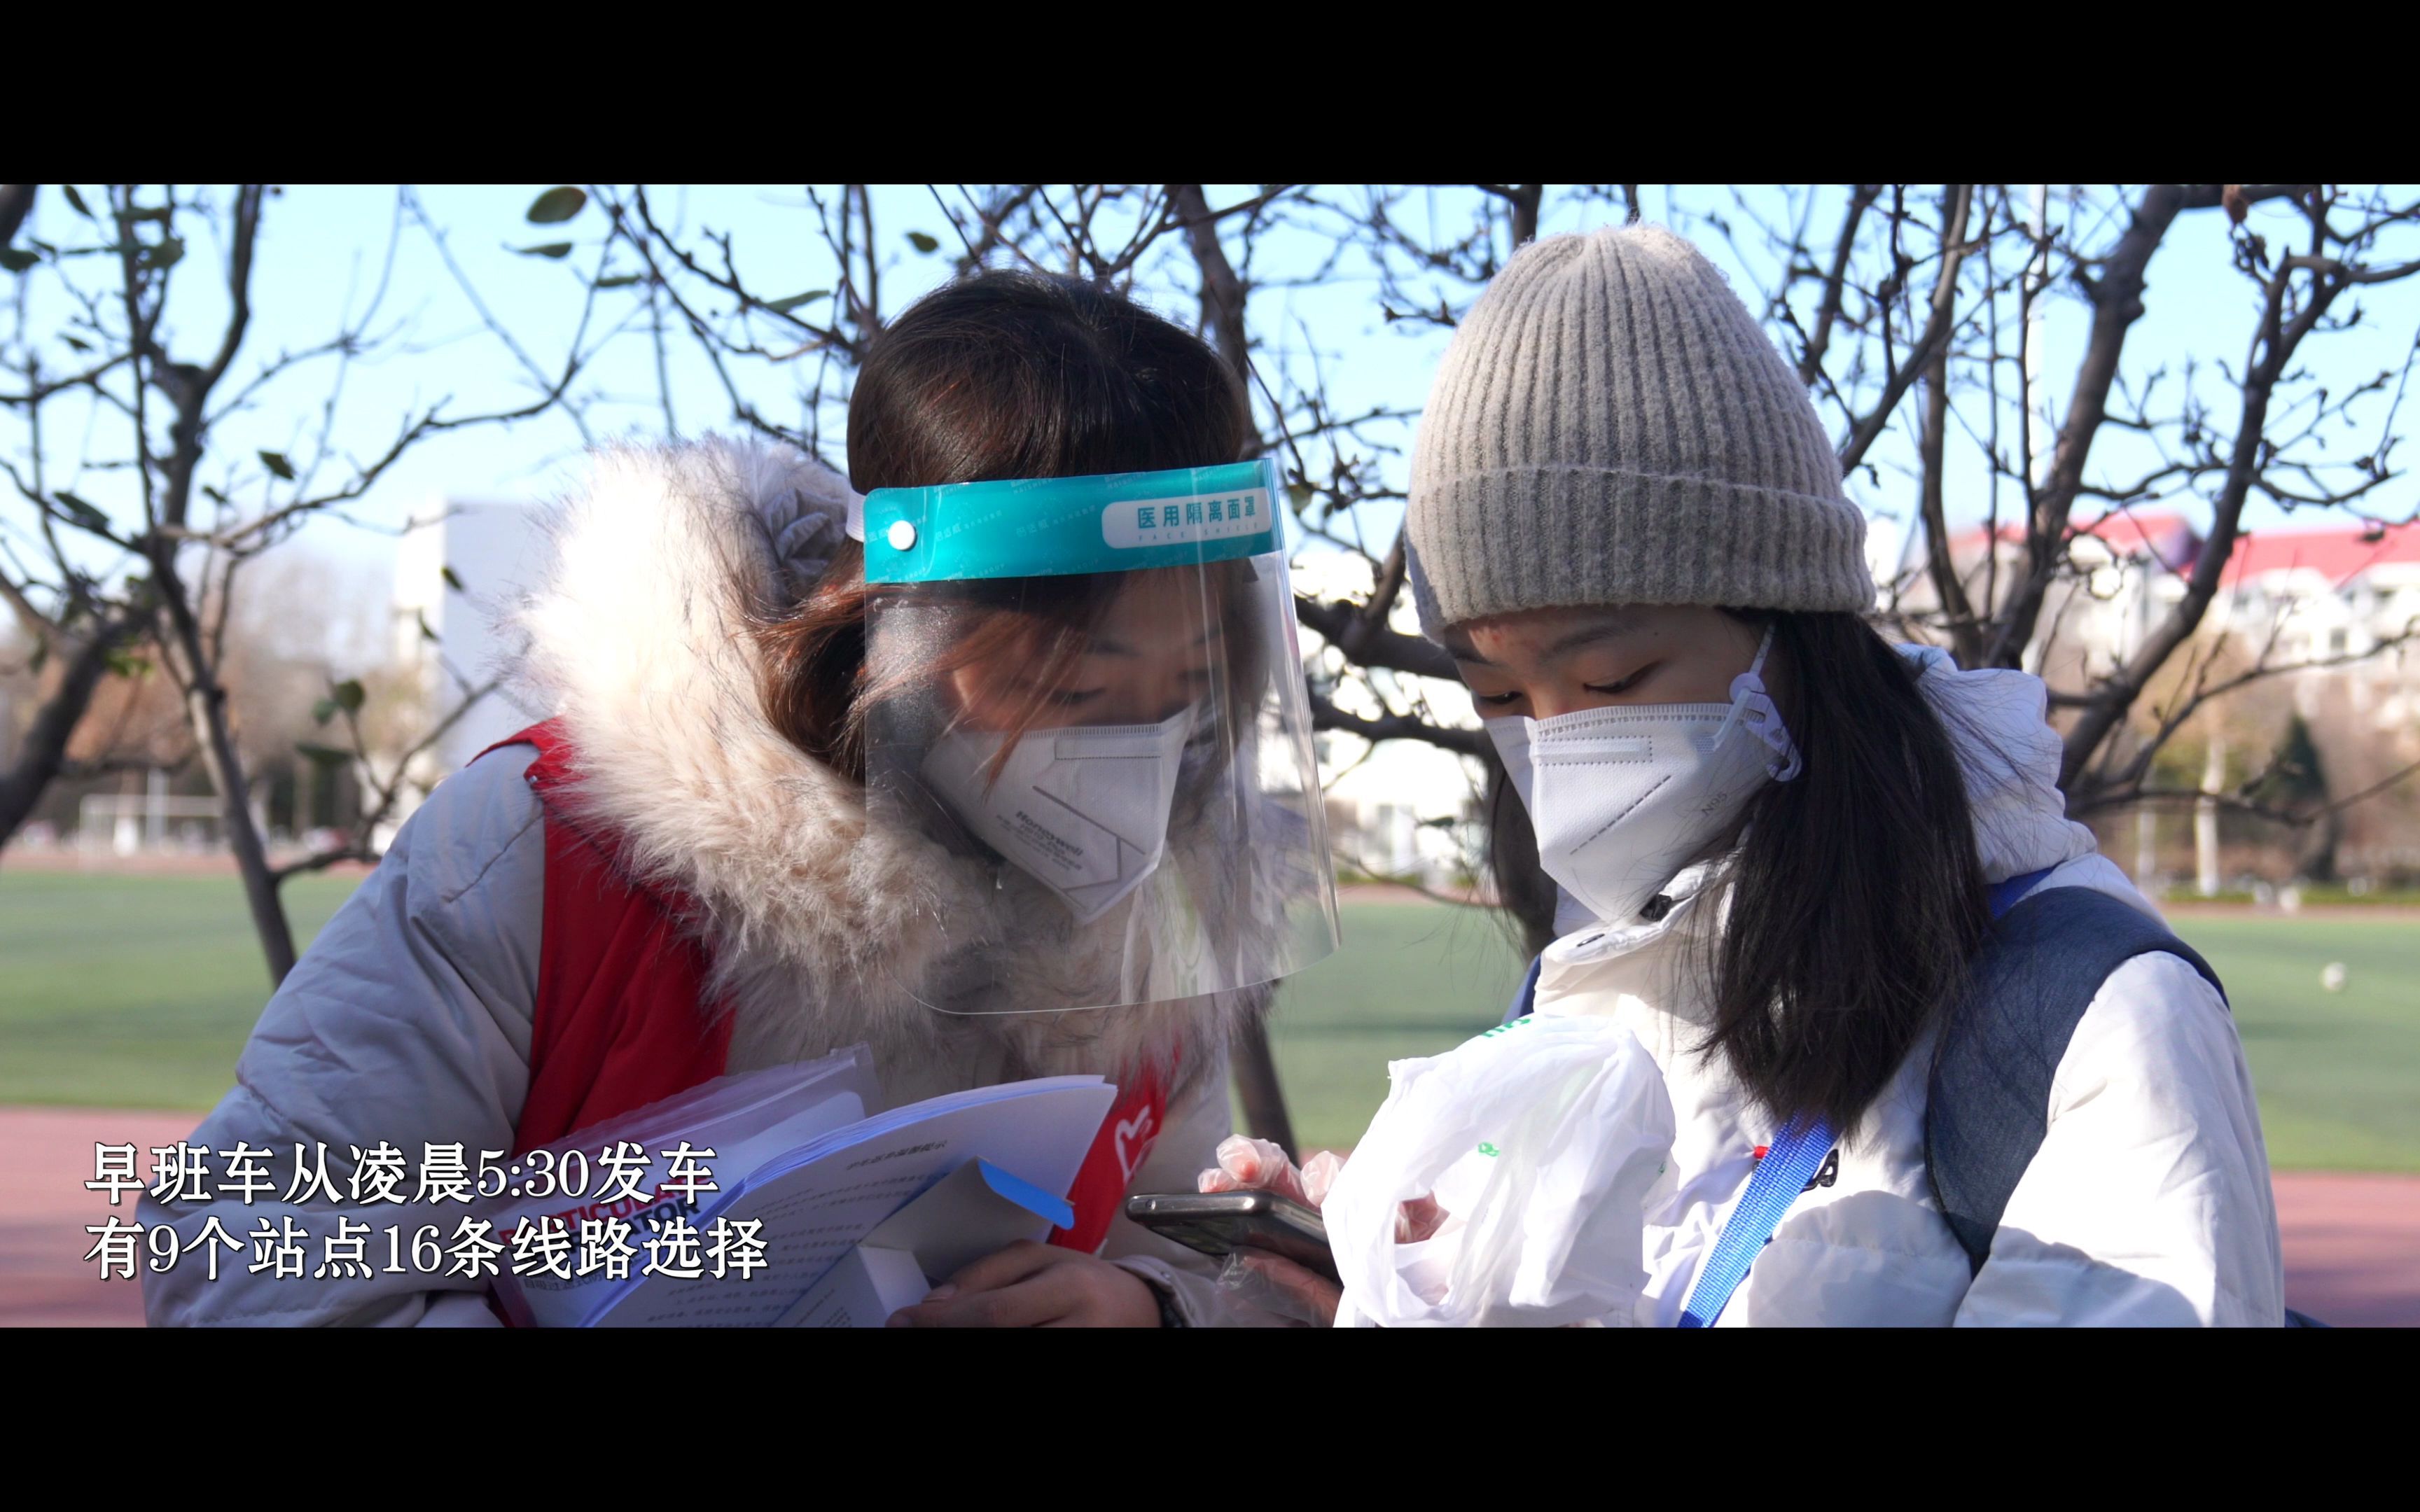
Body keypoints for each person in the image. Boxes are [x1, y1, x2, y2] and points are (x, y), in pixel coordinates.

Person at [141, 269, 1339, 1328]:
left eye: (1190, 694)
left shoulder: (1143, 915)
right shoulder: (549, 854)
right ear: (893, 624)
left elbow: (1186, 1250)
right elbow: (249, 1260)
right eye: (1077, 690)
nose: (1145, 755)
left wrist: (1147, 1305)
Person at [1207, 225, 2285, 1326]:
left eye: (1613, 675)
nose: (1556, 742)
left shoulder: (2092, 1025)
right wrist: (1419, 1279)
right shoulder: (1594, 989)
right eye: (1496, 697)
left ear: (1792, 632)